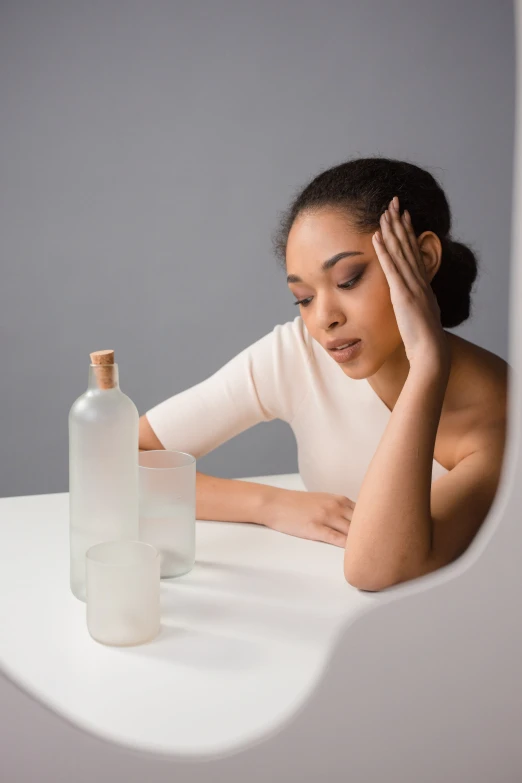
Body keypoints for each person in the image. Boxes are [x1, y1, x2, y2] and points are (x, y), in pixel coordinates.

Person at [139, 156, 507, 591]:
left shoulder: (501, 418)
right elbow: (119, 461)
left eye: (348, 280)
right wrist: (270, 504)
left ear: (424, 258)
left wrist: (427, 366)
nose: (324, 319)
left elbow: (378, 569)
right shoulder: (300, 352)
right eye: (304, 297)